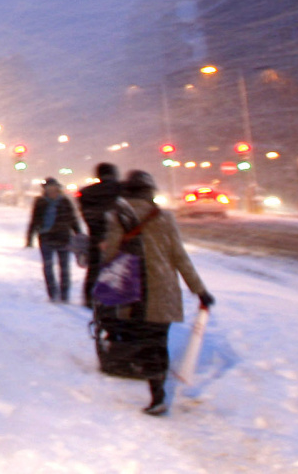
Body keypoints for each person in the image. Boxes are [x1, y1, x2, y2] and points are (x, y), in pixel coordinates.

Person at [100, 169, 215, 415]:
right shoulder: (164, 218)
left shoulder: (117, 216)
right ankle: (158, 391)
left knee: (143, 340)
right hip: (163, 291)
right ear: (150, 192)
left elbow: (109, 255)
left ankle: (153, 386)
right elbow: (180, 258)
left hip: (134, 292)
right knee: (158, 342)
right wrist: (200, 291)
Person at [25, 177, 82, 302]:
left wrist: (79, 234)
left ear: (58, 188)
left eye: (53, 188)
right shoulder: (40, 202)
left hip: (63, 238)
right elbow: (35, 220)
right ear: (44, 189)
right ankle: (53, 293)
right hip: (47, 238)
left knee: (64, 267)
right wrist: (30, 238)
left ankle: (64, 294)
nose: (51, 191)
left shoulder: (64, 202)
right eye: (48, 188)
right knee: (48, 267)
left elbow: (72, 219)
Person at [78, 161, 121, 306]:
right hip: (119, 236)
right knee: (120, 267)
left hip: (96, 235)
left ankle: (89, 297)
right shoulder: (121, 189)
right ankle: (115, 298)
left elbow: (86, 215)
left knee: (94, 268)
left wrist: (97, 230)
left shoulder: (86, 193)